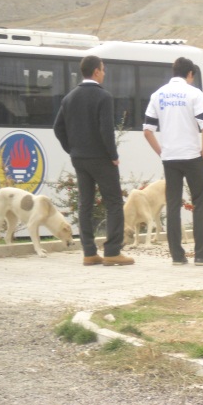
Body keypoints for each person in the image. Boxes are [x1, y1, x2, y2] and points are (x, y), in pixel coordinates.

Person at [143, 57, 203, 266]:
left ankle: (177, 256)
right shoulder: (194, 93)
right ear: (190, 74)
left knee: (172, 205)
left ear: (174, 72)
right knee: (200, 204)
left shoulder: (157, 95)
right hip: (192, 156)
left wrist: (162, 152)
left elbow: (147, 130)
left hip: (170, 158)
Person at [54, 55, 133, 266]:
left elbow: (57, 128)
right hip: (101, 158)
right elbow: (106, 130)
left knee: (85, 204)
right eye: (103, 69)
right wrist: (113, 156)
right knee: (114, 202)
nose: (104, 73)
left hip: (79, 159)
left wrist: (72, 149)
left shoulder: (69, 97)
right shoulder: (103, 97)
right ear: (96, 71)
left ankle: (89, 252)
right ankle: (112, 251)